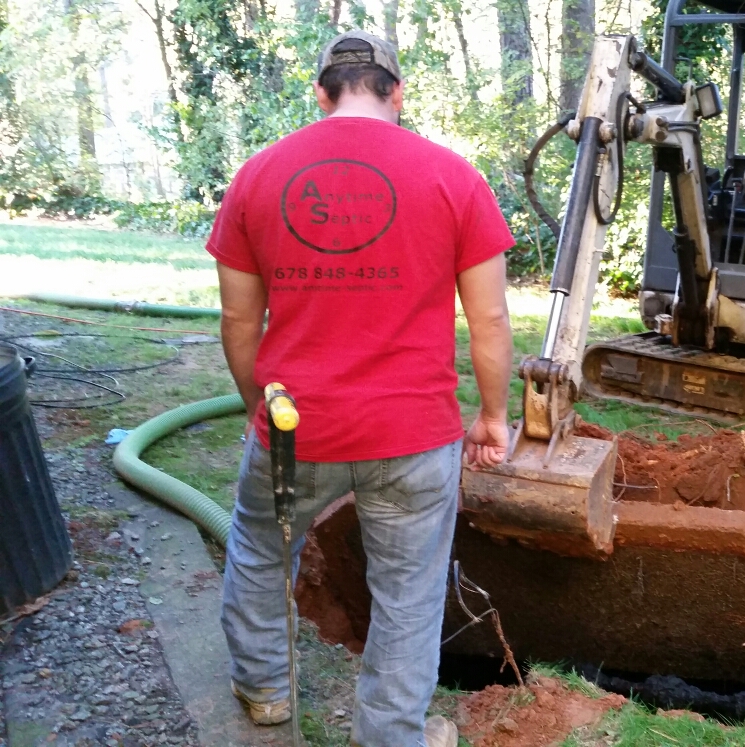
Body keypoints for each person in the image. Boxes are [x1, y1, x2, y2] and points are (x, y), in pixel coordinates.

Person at [206, 30, 514, 747]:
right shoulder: (454, 178)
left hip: (292, 424)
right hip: (414, 433)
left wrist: (258, 400)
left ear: (321, 93)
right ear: (395, 92)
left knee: (258, 550)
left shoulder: (259, 175)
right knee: (407, 595)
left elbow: (237, 317)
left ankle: (266, 694)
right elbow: (491, 317)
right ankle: (391, 735)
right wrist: (494, 416)